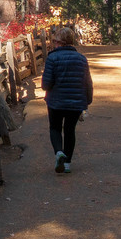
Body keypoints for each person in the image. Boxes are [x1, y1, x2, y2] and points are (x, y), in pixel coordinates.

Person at [41, 26, 93, 174]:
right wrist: (87, 101)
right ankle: (68, 163)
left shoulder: (52, 58)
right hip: (76, 102)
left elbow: (46, 84)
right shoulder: (82, 59)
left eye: (55, 41)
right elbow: (87, 82)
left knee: (55, 128)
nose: (54, 44)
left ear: (59, 42)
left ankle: (59, 152)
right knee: (70, 130)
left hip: (55, 102)